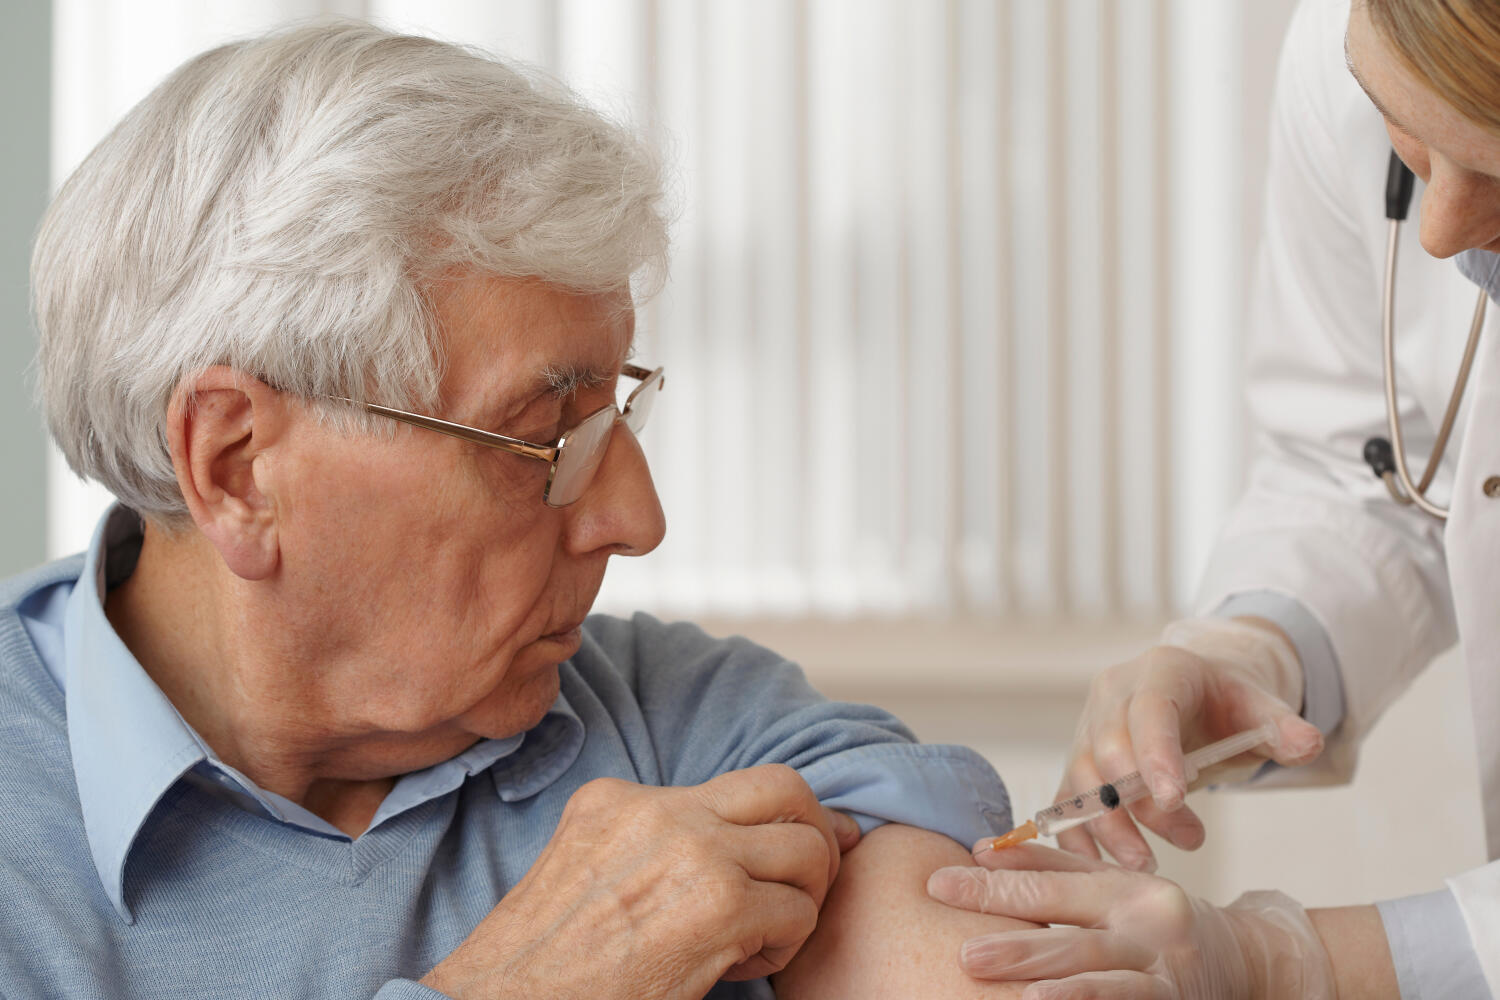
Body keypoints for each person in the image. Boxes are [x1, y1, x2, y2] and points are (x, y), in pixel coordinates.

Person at [4, 22, 1036, 999]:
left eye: (615, 410)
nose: (635, 518)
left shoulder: (676, 720)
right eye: (543, 437)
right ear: (237, 466)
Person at [923, 0, 1500, 997]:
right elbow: (1374, 465)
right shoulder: (1351, 43)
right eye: (1412, 149)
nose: (1441, 232)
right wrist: (1256, 647)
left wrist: (1291, 960)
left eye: (1498, 170)